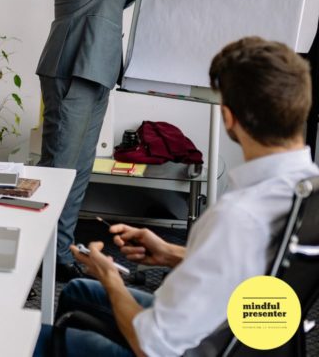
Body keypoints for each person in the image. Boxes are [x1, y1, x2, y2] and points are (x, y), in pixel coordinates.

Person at [35, 0, 285, 280]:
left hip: (90, 68)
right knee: (62, 171)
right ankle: (40, 262)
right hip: (75, 67)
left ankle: (58, 256)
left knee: (75, 172)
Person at [33, 36, 317, 356]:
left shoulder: (237, 216)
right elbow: (266, 269)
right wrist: (173, 253)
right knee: (78, 291)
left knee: (27, 338)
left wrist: (111, 276)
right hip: (241, 333)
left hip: (189, 344)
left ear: (228, 118)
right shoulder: (308, 190)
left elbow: (151, 344)